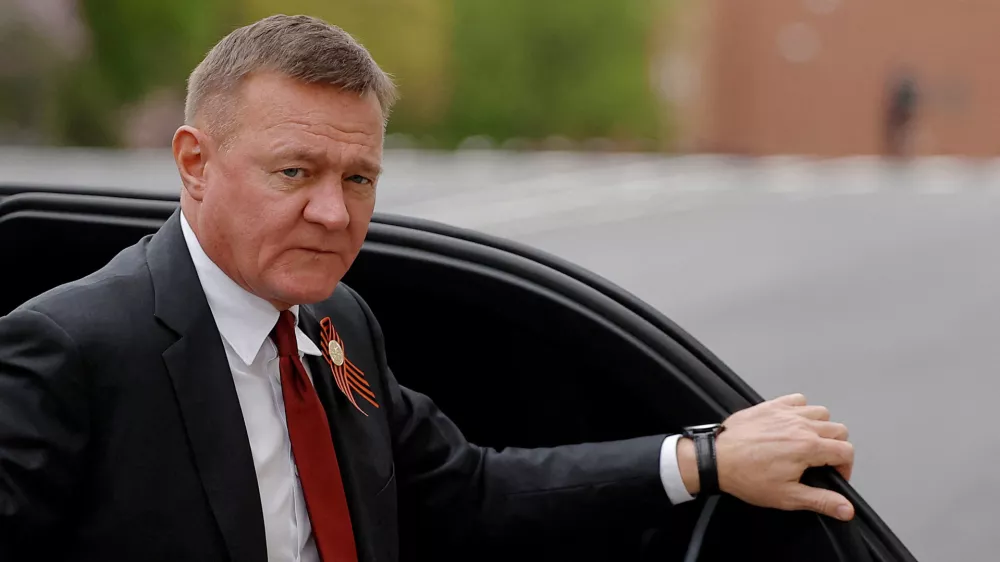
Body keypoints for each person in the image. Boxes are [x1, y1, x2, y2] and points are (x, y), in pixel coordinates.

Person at [0, 14, 855, 562]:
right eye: (294, 171)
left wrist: (706, 458)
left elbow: (465, 492)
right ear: (195, 163)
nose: (333, 213)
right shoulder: (72, 350)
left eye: (360, 178)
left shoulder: (336, 323)